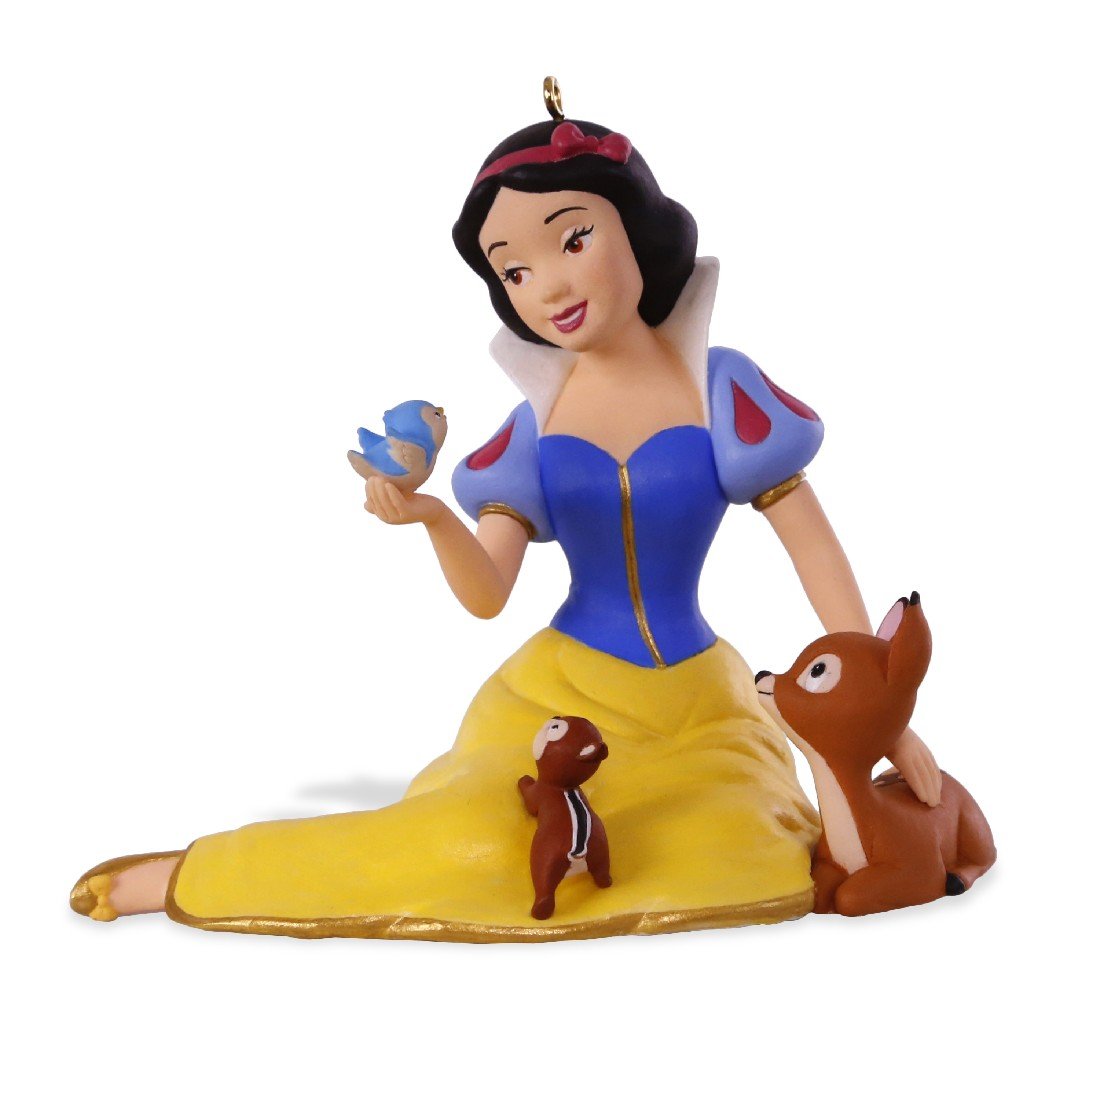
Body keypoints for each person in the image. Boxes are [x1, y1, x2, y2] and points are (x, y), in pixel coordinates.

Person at [70, 104, 941, 941]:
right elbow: (488, 595)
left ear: (637, 231)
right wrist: (429, 517)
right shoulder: (532, 428)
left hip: (700, 708)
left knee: (736, 849)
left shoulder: (721, 389)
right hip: (562, 698)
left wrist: (881, 711)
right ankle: (199, 874)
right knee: (484, 840)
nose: (548, 285)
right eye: (513, 271)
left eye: (573, 239)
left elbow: (814, 551)